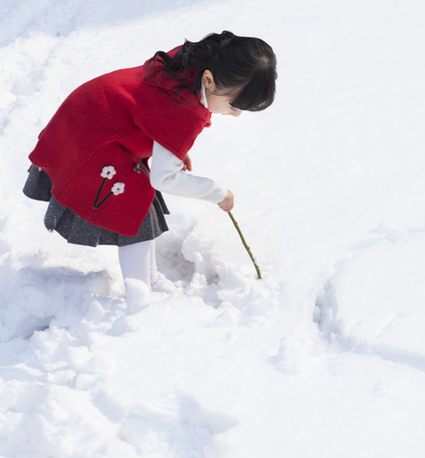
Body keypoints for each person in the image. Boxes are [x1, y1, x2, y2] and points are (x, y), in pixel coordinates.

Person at [22, 31, 277, 292]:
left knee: (141, 210)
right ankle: (141, 292)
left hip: (88, 116)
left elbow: (153, 110)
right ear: (209, 80)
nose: (235, 114)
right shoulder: (183, 109)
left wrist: (170, 144)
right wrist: (216, 192)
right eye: (234, 105)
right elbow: (165, 178)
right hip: (95, 138)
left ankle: (150, 281)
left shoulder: (191, 67)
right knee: (134, 212)